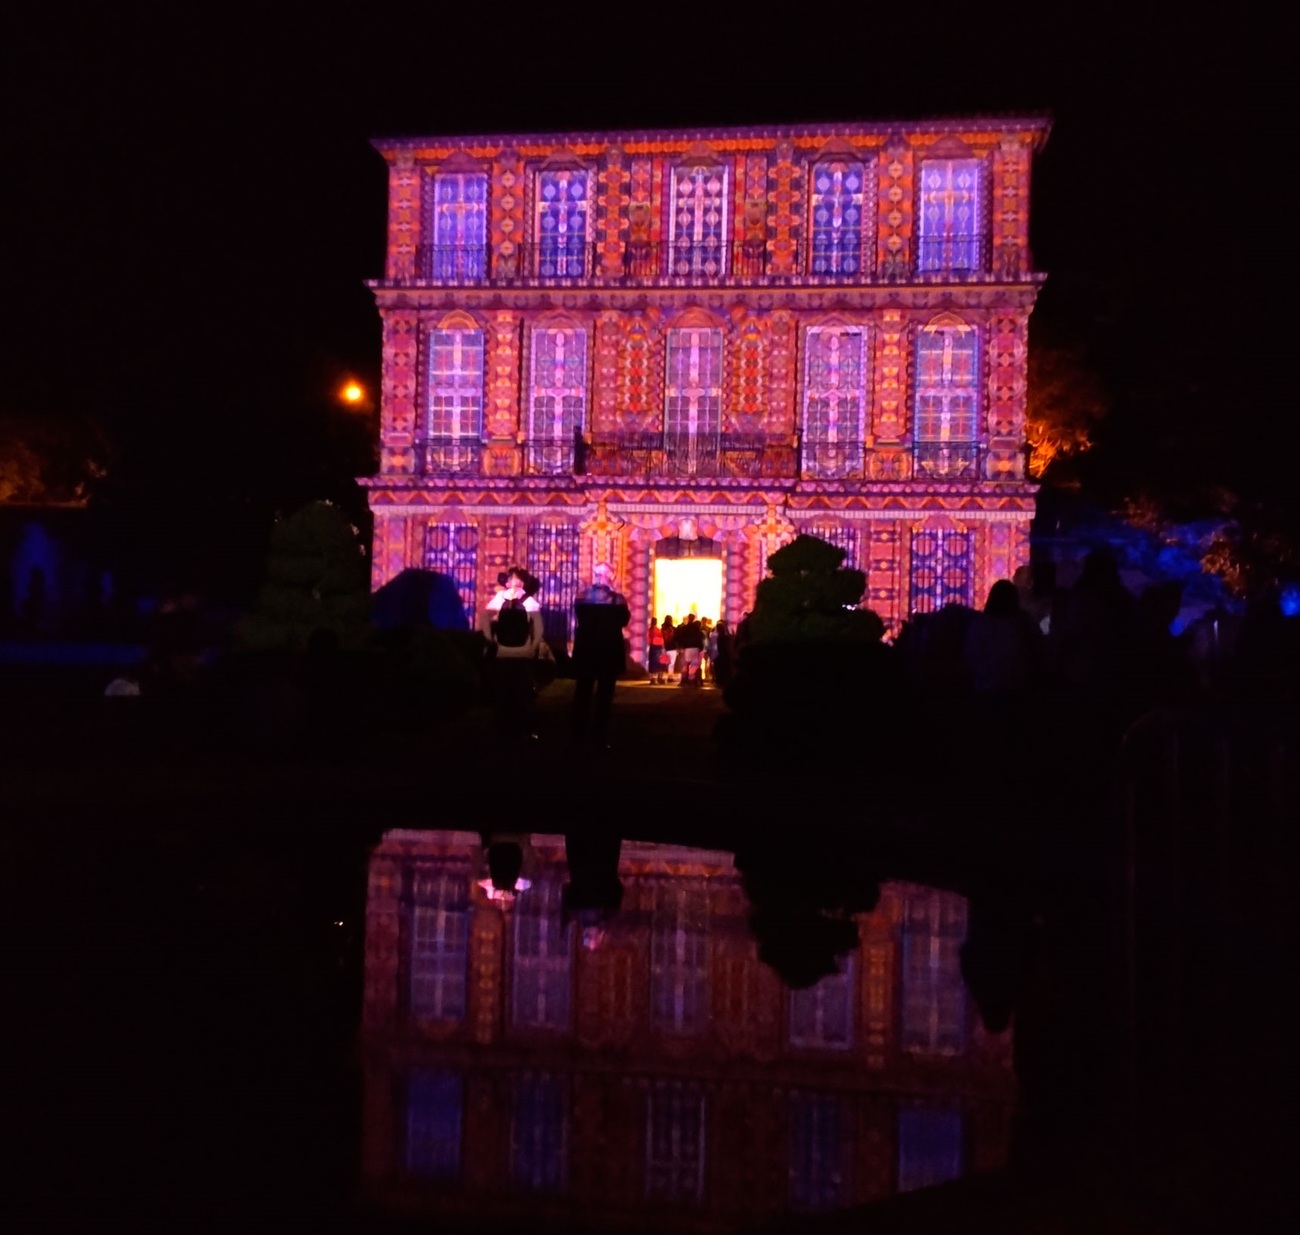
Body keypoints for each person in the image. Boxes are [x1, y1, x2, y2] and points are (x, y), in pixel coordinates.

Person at [479, 566, 544, 742]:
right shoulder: (500, 598)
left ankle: (523, 726)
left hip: (521, 653)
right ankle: (502, 726)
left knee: (521, 690)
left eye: (518, 579)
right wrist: (489, 638)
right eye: (511, 579)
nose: (514, 583)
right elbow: (486, 616)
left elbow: (537, 626)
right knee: (503, 689)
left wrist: (533, 645)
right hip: (503, 651)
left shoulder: (528, 601)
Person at [570, 569, 630, 747]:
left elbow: (578, 616)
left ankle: (577, 733)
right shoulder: (617, 599)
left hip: (586, 648)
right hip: (609, 649)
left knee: (582, 692)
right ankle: (598, 734)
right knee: (604, 694)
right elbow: (624, 620)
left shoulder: (582, 597)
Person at [674, 612, 705, 686]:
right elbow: (700, 638)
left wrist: (680, 646)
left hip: (686, 648)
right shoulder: (696, 629)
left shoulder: (684, 628)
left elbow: (679, 637)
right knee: (694, 664)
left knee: (684, 665)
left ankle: (684, 679)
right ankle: (692, 679)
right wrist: (700, 647)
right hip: (695, 647)